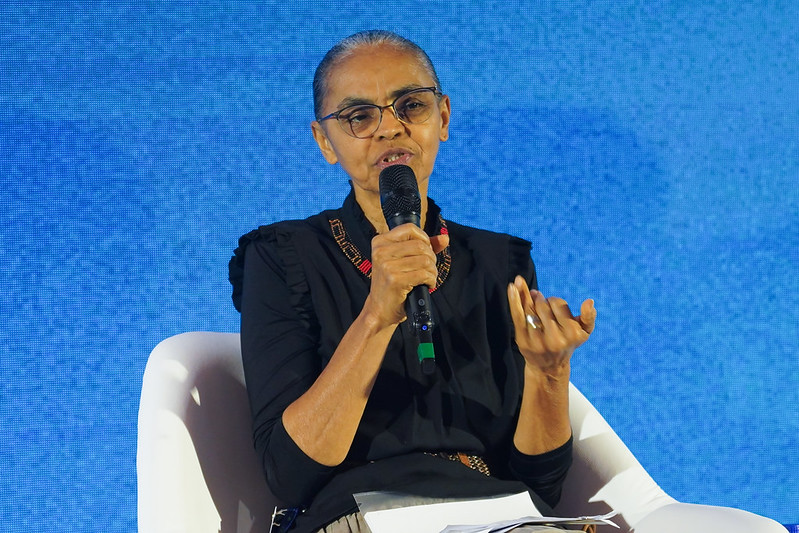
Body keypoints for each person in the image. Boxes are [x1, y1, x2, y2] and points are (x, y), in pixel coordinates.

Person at [229, 30, 596, 533]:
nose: (390, 129)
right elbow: (289, 474)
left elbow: (541, 483)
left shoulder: (498, 262)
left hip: (498, 517)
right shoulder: (284, 257)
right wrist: (377, 316)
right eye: (359, 117)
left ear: (442, 117)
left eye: (411, 106)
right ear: (325, 141)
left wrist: (549, 372)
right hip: (362, 514)